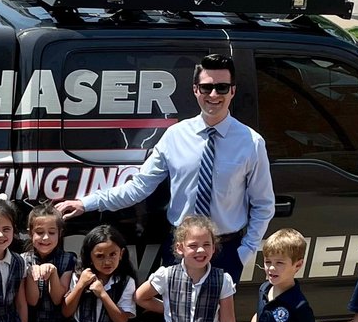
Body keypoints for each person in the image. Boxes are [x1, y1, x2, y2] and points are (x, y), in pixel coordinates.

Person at [58, 53, 274, 283]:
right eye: (206, 87)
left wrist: (245, 252)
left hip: (225, 250)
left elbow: (263, 204)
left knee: (219, 319)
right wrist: (87, 203)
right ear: (195, 90)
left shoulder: (251, 142)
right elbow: (139, 188)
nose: (213, 95)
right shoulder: (175, 136)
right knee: (171, 316)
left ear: (232, 91)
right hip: (179, 249)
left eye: (221, 88)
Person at [22, 203, 76, 322]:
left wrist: (53, 272)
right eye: (39, 232)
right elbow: (32, 300)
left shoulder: (68, 259)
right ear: (30, 233)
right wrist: (31, 274)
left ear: (60, 234)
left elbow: (57, 299)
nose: (45, 238)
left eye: (52, 232)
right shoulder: (24, 260)